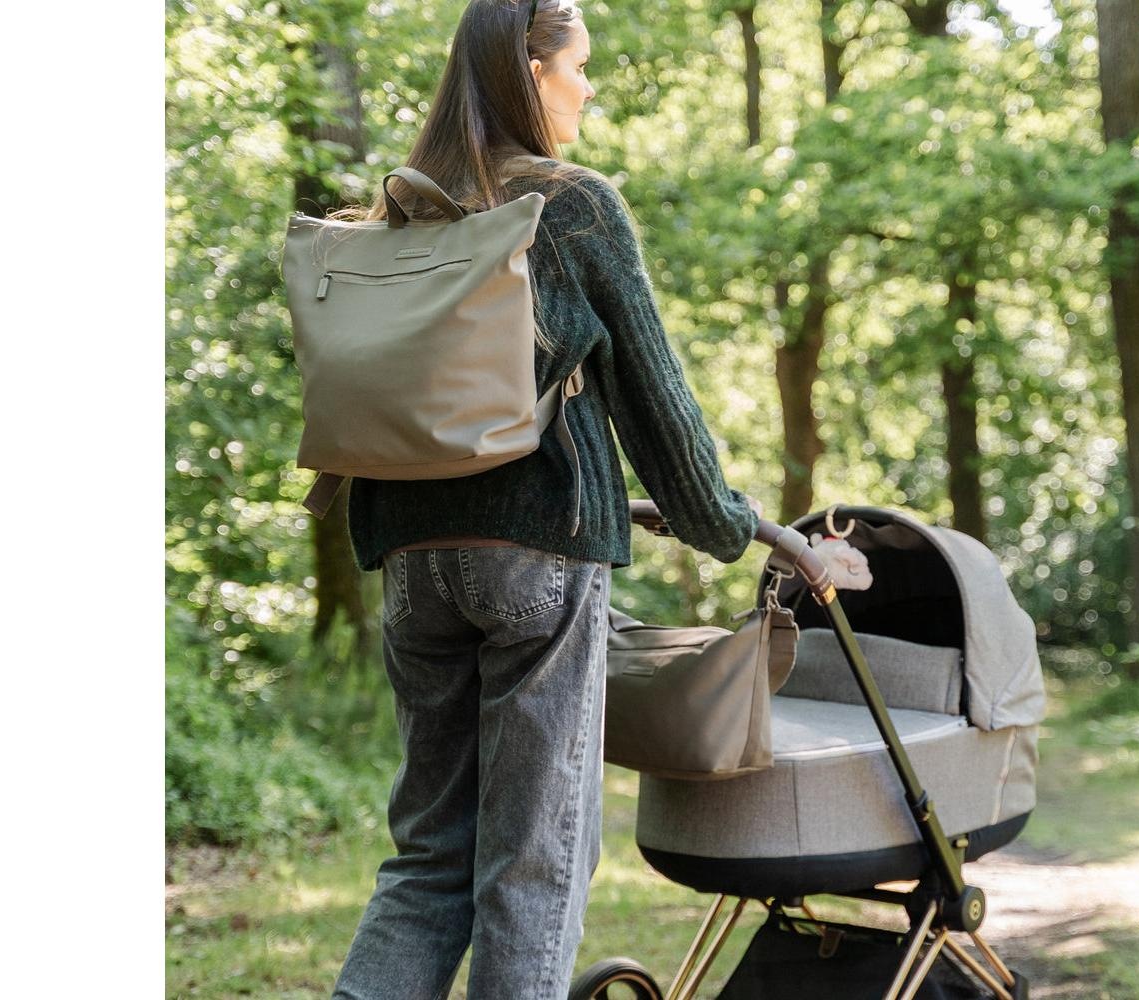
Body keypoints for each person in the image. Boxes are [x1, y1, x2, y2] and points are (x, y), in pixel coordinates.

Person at [329, 2, 763, 998]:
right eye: (580, 66)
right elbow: (658, 411)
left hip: (410, 561)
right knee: (532, 861)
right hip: (538, 553)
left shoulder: (402, 212)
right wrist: (729, 526)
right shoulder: (571, 206)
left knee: (429, 858)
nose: (589, 87)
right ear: (532, 73)